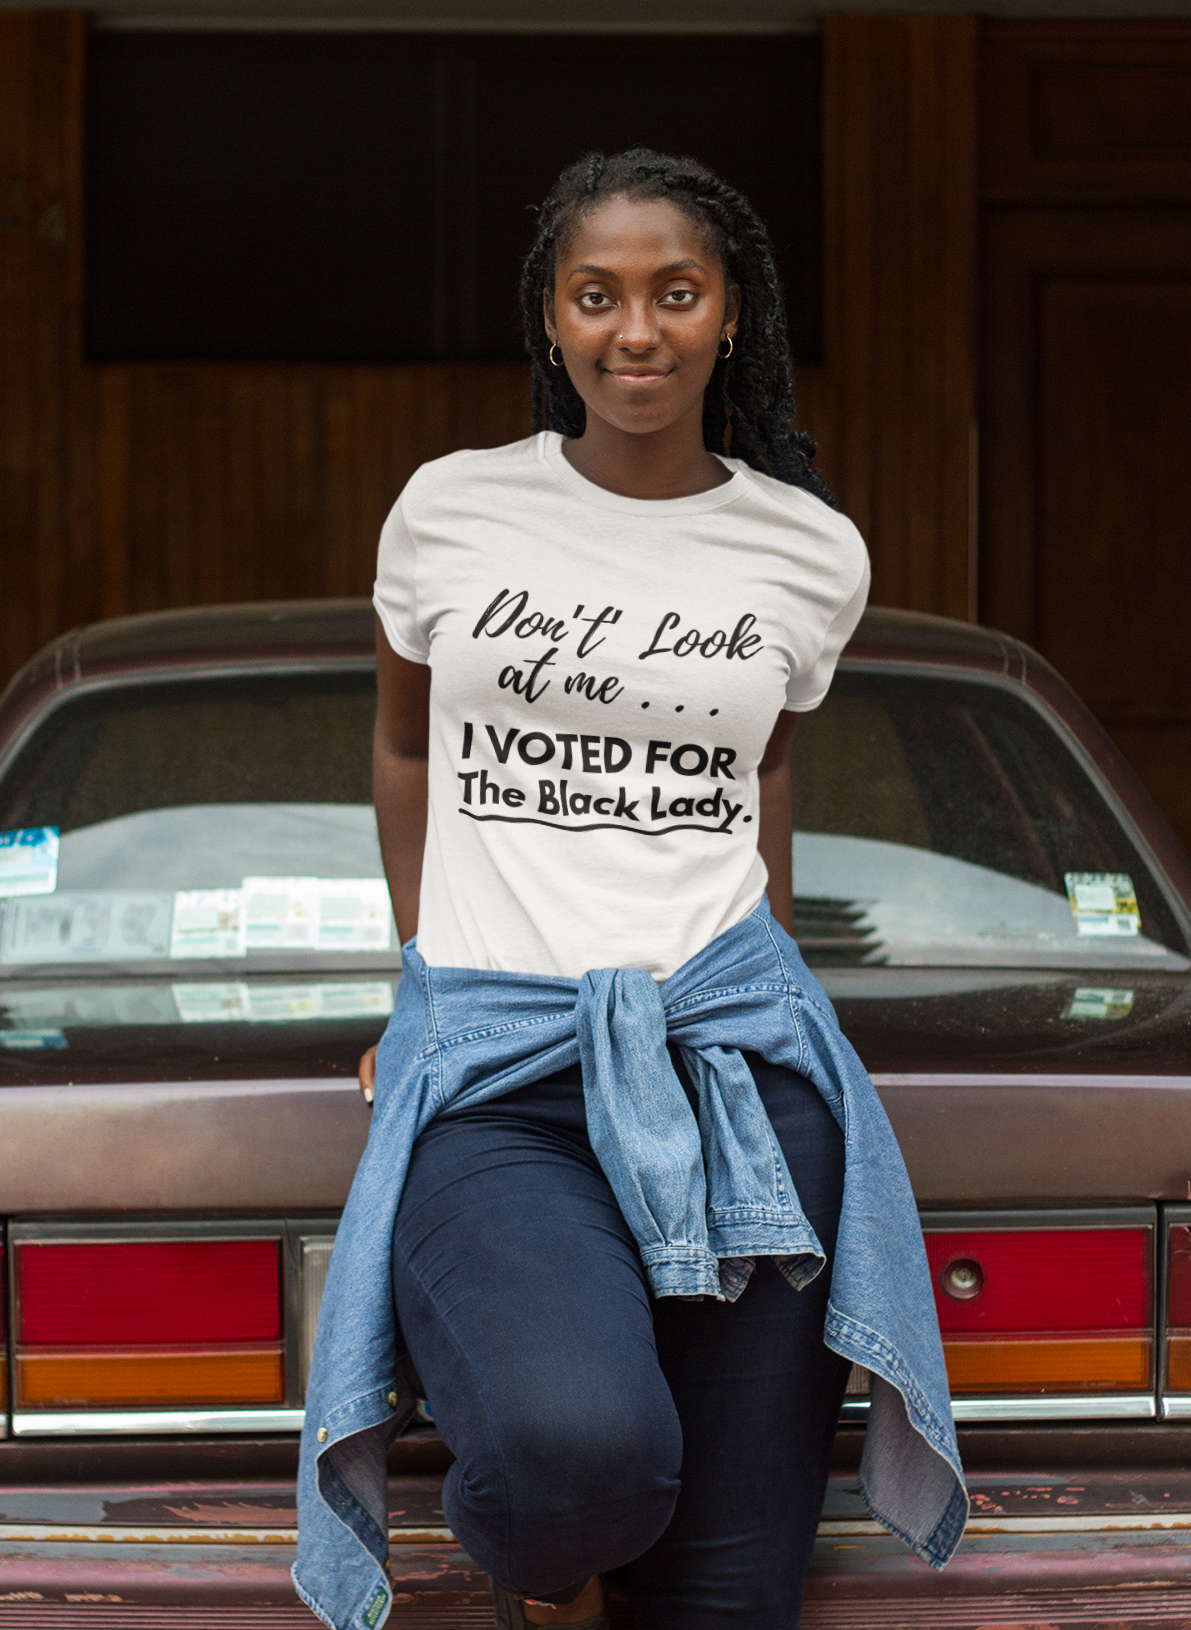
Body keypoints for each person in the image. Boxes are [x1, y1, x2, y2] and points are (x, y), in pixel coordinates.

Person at [292, 148, 964, 1630]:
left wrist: (770, 962)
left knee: (727, 1597)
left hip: (735, 1070)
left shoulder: (806, 549)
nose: (636, 330)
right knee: (568, 1454)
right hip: (503, 1073)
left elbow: (759, 773)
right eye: (597, 296)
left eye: (676, 292)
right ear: (551, 320)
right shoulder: (451, 511)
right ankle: (558, 1586)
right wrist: (416, 985)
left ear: (733, 315)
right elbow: (409, 748)